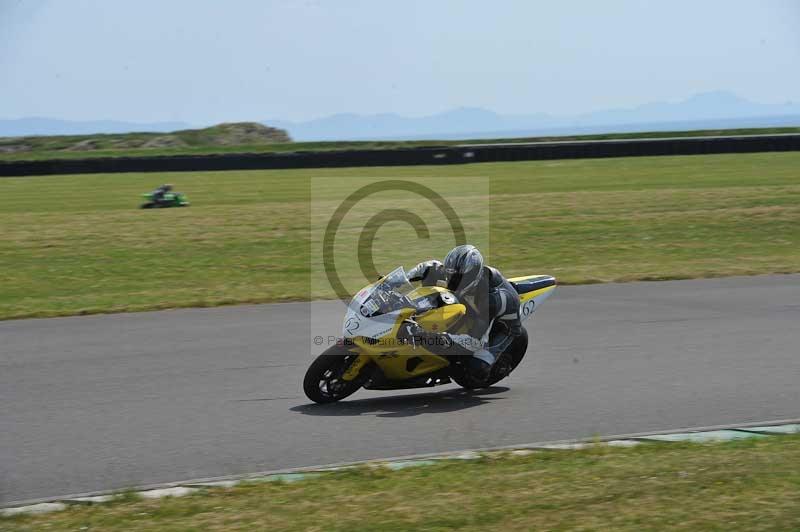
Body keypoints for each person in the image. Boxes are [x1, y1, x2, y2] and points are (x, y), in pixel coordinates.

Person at [405, 244, 522, 386]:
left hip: (504, 327)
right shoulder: (458, 274)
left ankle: (488, 365)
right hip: (474, 308)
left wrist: (435, 337)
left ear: (473, 275)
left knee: (477, 368)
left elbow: (474, 341)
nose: (452, 281)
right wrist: (401, 280)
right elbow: (429, 267)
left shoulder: (489, 301)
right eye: (451, 275)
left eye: (458, 278)